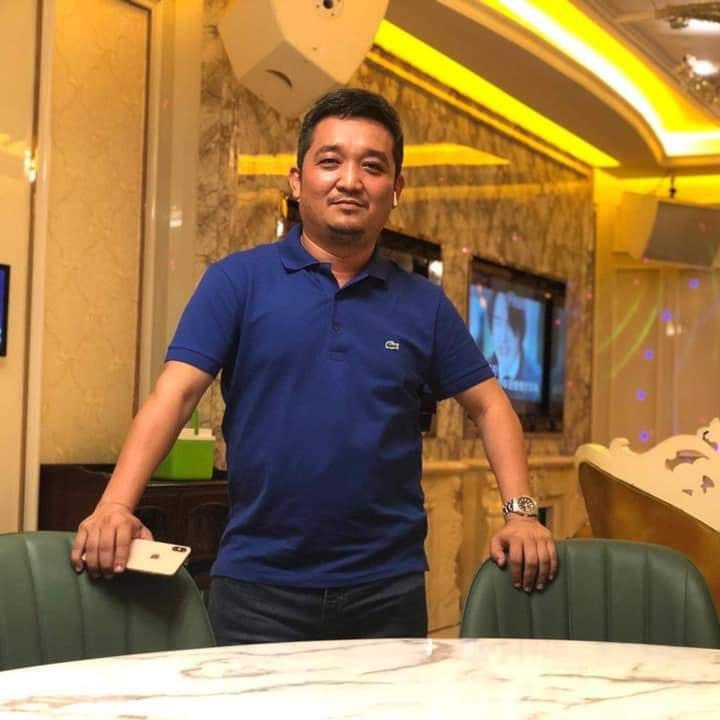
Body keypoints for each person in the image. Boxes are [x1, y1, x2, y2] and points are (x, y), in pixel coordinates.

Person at [71, 88, 556, 644]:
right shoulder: (236, 282)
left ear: (396, 190)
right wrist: (115, 505)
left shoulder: (423, 305)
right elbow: (174, 396)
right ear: (297, 181)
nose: (350, 180)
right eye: (330, 161)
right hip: (256, 587)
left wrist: (521, 513)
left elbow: (491, 406)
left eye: (372, 166)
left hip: (387, 590)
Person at [488, 291, 542, 402]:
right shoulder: (480, 372)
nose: (503, 337)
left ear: (520, 331)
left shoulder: (536, 376)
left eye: (509, 325)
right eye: (498, 323)